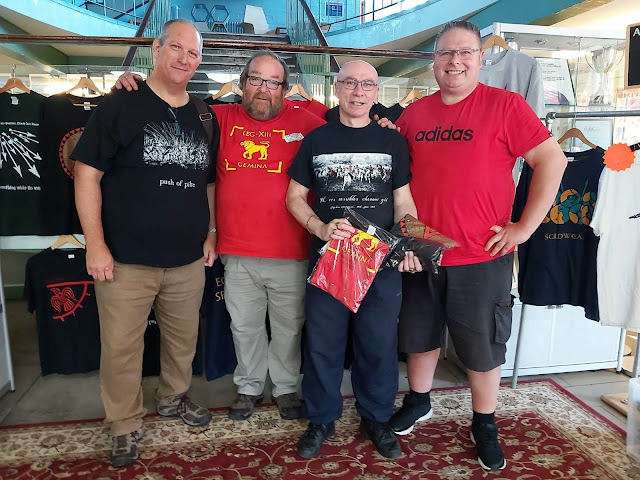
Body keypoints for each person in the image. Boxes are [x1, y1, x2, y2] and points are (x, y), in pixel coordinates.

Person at [388, 20, 567, 471]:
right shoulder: (415, 115)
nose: (455, 61)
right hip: (423, 251)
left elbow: (552, 159)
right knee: (419, 334)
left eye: (465, 52)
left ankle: (484, 421)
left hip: (482, 253)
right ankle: (419, 400)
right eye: (445, 53)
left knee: (483, 345)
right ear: (433, 61)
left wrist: (524, 228)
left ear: (480, 59)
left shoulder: (505, 105)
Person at [116, 50, 326, 421]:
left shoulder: (311, 122)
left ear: (285, 88)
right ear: (242, 84)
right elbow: (168, 106)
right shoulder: (215, 117)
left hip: (291, 250)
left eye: (273, 82)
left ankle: (285, 388)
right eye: (255, 79)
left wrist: (384, 124)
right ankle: (249, 386)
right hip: (237, 250)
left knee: (289, 328)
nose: (263, 89)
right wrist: (131, 87)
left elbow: (351, 130)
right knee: (243, 326)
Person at [73, 19, 218, 468]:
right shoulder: (121, 104)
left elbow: (209, 183)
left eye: (193, 53)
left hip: (187, 259)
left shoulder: (204, 115)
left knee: (182, 341)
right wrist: (95, 244)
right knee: (121, 348)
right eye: (176, 48)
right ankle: (124, 424)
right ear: (156, 49)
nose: (184, 59)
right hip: (125, 260)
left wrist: (211, 232)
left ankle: (173, 398)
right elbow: (86, 175)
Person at [286, 60, 421, 460]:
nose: (358, 91)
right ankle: (321, 419)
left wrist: (409, 244)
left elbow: (403, 202)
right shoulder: (316, 139)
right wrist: (319, 228)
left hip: (380, 262)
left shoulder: (393, 142)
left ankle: (376, 418)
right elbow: (294, 197)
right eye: (349, 83)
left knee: (378, 345)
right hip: (330, 259)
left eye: (366, 85)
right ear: (337, 89)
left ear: (376, 92)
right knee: (323, 345)